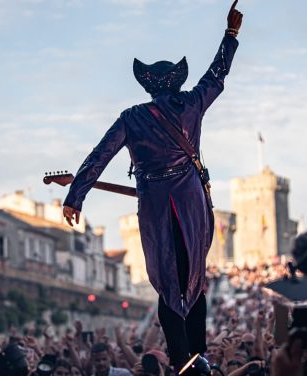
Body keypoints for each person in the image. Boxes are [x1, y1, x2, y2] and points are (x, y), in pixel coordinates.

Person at [62, 1, 243, 371]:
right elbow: (217, 75)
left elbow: (100, 156)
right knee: (195, 276)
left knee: (166, 279)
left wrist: (74, 197)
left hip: (156, 204)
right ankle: (199, 358)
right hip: (192, 201)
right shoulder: (192, 103)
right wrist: (231, 34)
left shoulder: (131, 117)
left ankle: (182, 361)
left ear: (146, 85)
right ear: (177, 80)